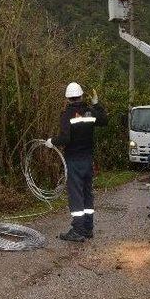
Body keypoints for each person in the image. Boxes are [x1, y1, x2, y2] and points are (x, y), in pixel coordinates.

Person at [46, 82, 108, 242]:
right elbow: (104, 121)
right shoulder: (90, 111)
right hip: (88, 159)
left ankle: (78, 230)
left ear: (68, 99)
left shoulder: (67, 115)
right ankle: (88, 229)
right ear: (81, 95)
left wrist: (52, 141)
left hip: (74, 160)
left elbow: (66, 138)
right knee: (87, 193)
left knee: (76, 195)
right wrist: (97, 104)